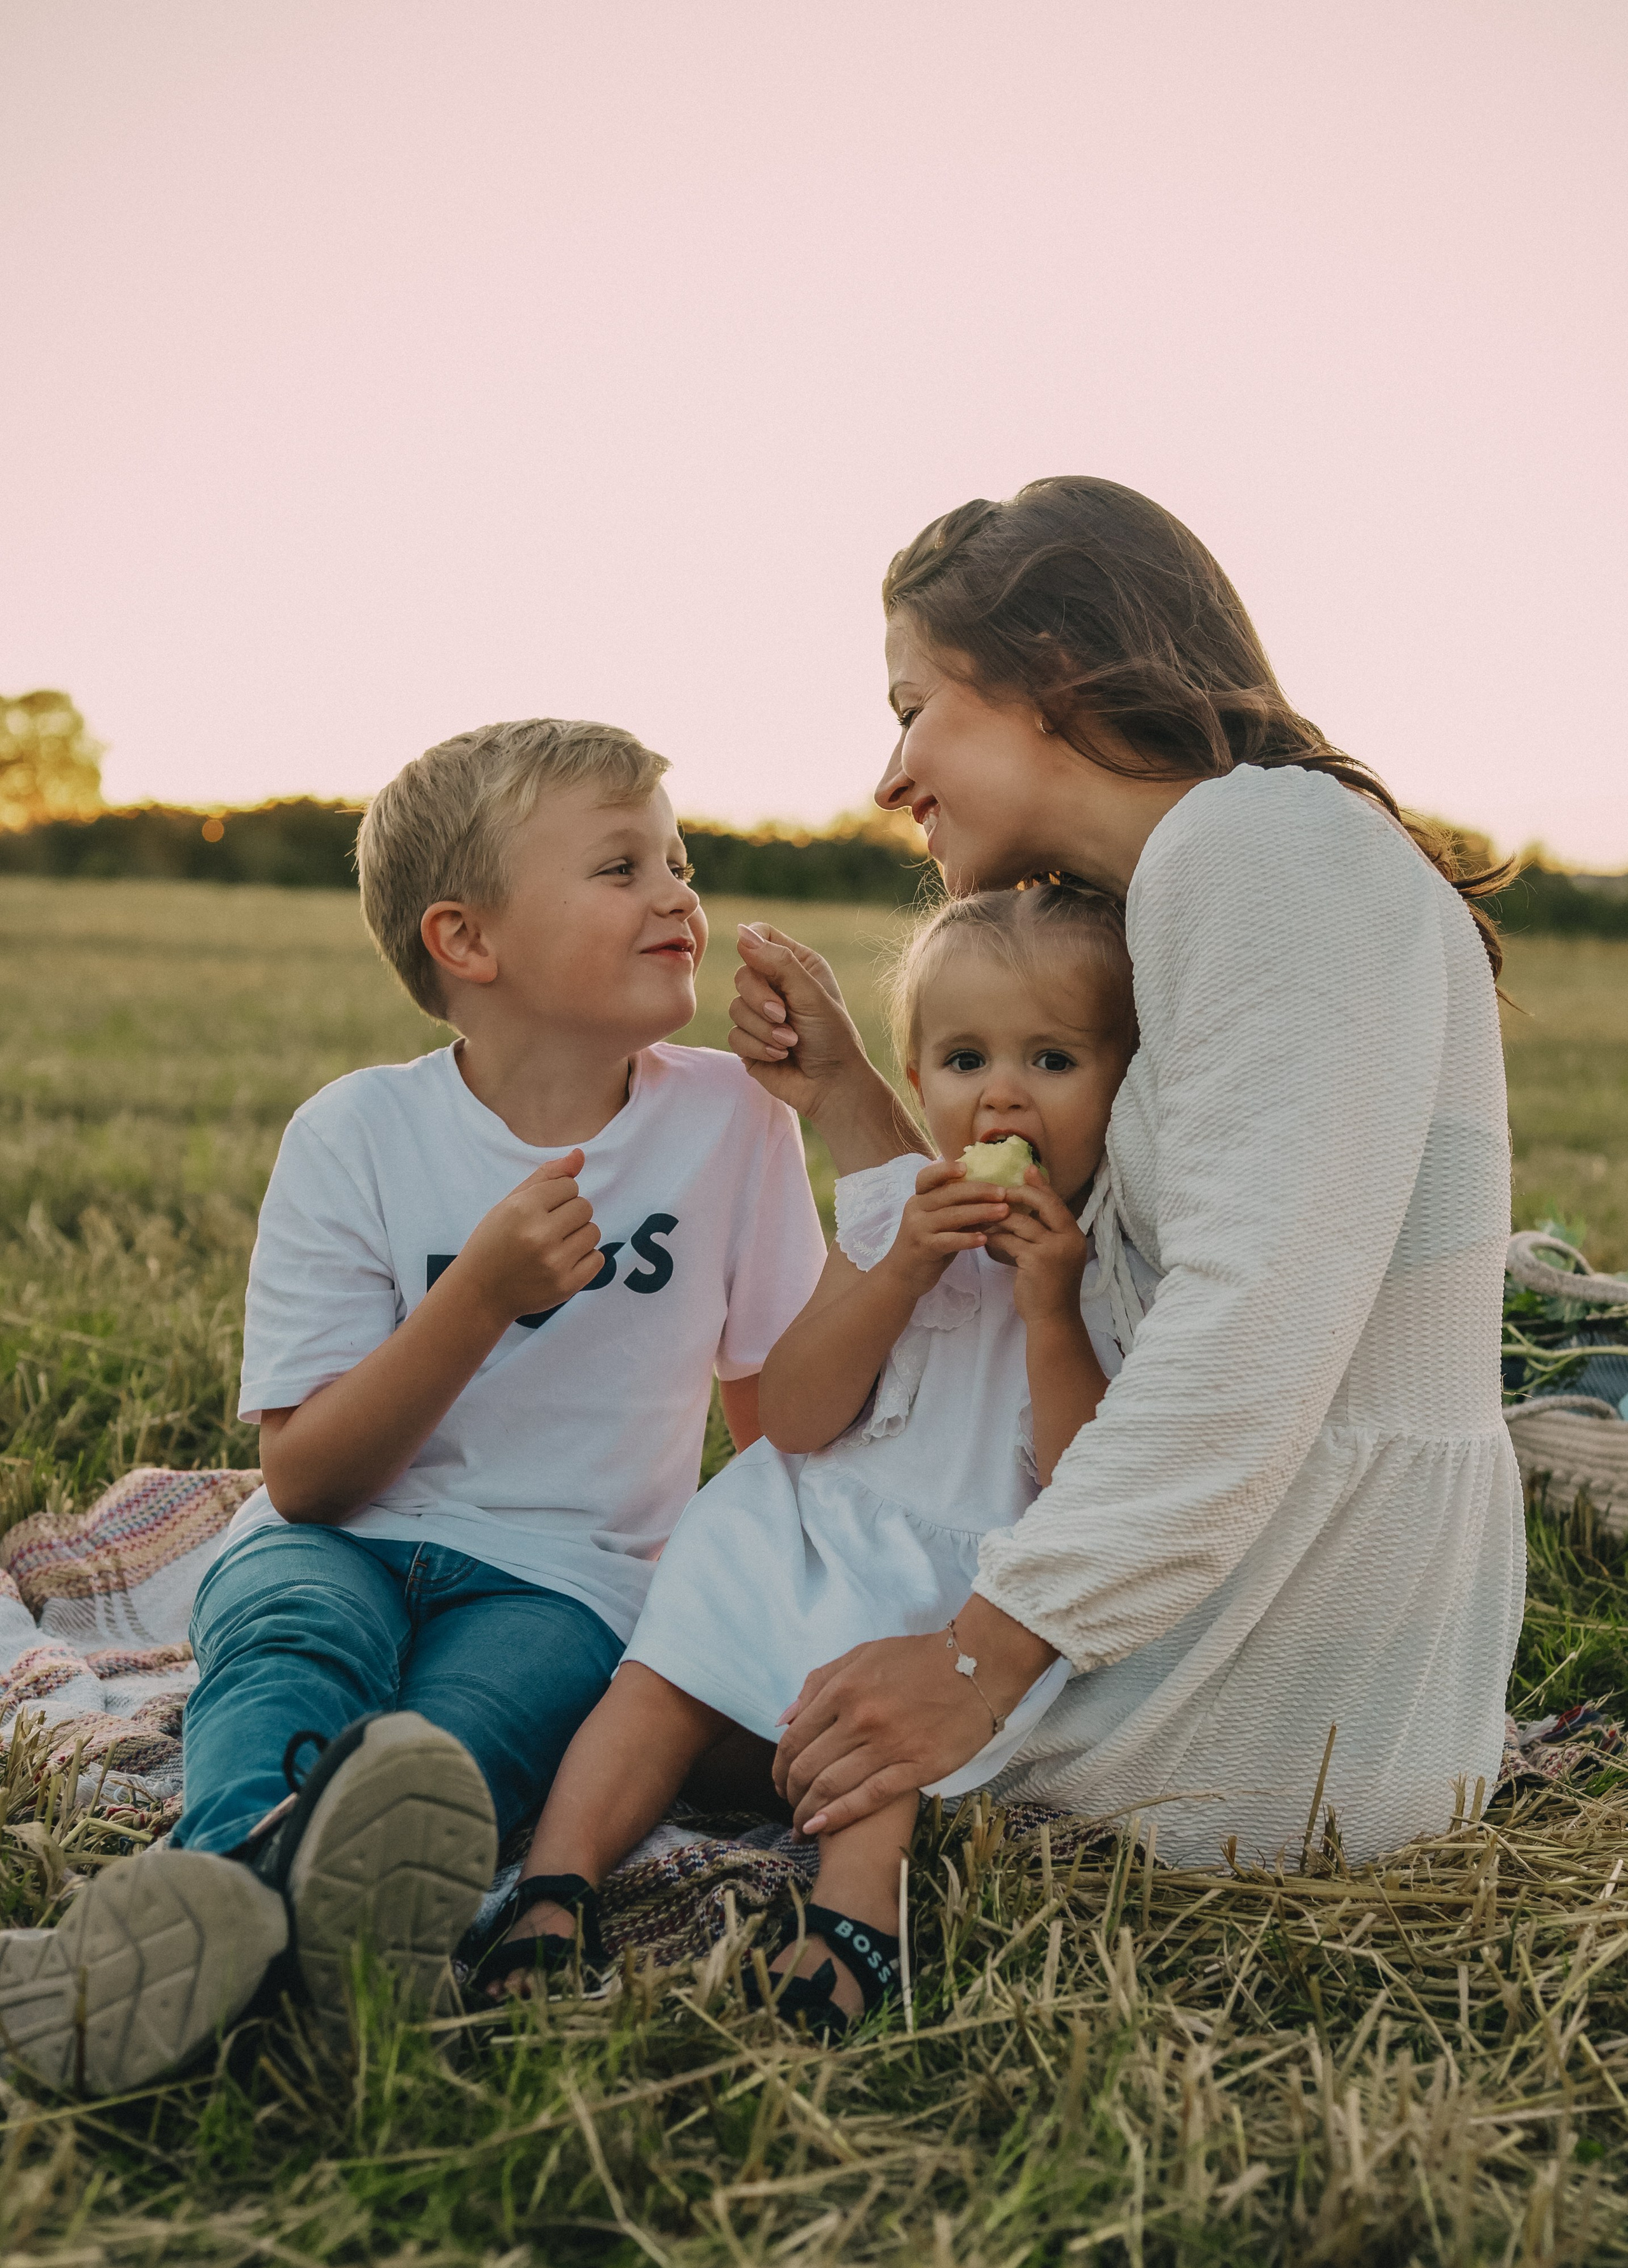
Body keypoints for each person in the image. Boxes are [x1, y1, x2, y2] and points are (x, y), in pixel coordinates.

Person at [0, 717, 825, 2093]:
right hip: (338, 1534)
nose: (680, 894)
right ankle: (265, 1907)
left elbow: (782, 1416)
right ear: (467, 939)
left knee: (446, 1750)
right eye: (621, 865)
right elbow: (309, 1479)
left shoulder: (736, 1122)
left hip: (572, 1579)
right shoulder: (355, 1136)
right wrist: (475, 1299)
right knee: (288, 1643)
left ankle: (220, 1923)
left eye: (676, 859)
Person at [728, 478, 1524, 1876]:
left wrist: (972, 1663)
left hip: (1274, 1706)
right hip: (1254, 1615)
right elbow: (1056, 1269)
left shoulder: (1263, 845)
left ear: (1047, 671)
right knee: (675, 1624)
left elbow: (1245, 1328)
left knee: (653, 1653)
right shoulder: (1202, 882)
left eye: (910, 706)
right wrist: (851, 1095)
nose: (887, 774)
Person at [474, 880, 1155, 2032]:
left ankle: (853, 1925)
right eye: (961, 1060)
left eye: (1052, 1060)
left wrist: (1050, 1309)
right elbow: (791, 1416)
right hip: (803, 1525)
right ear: (918, 1074)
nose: (998, 1092)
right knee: (658, 1680)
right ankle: (554, 1886)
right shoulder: (897, 1208)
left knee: (876, 1716)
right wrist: (896, 1271)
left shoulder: (1117, 1262)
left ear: (1127, 1085)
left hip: (950, 1588)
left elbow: (1084, 1482)